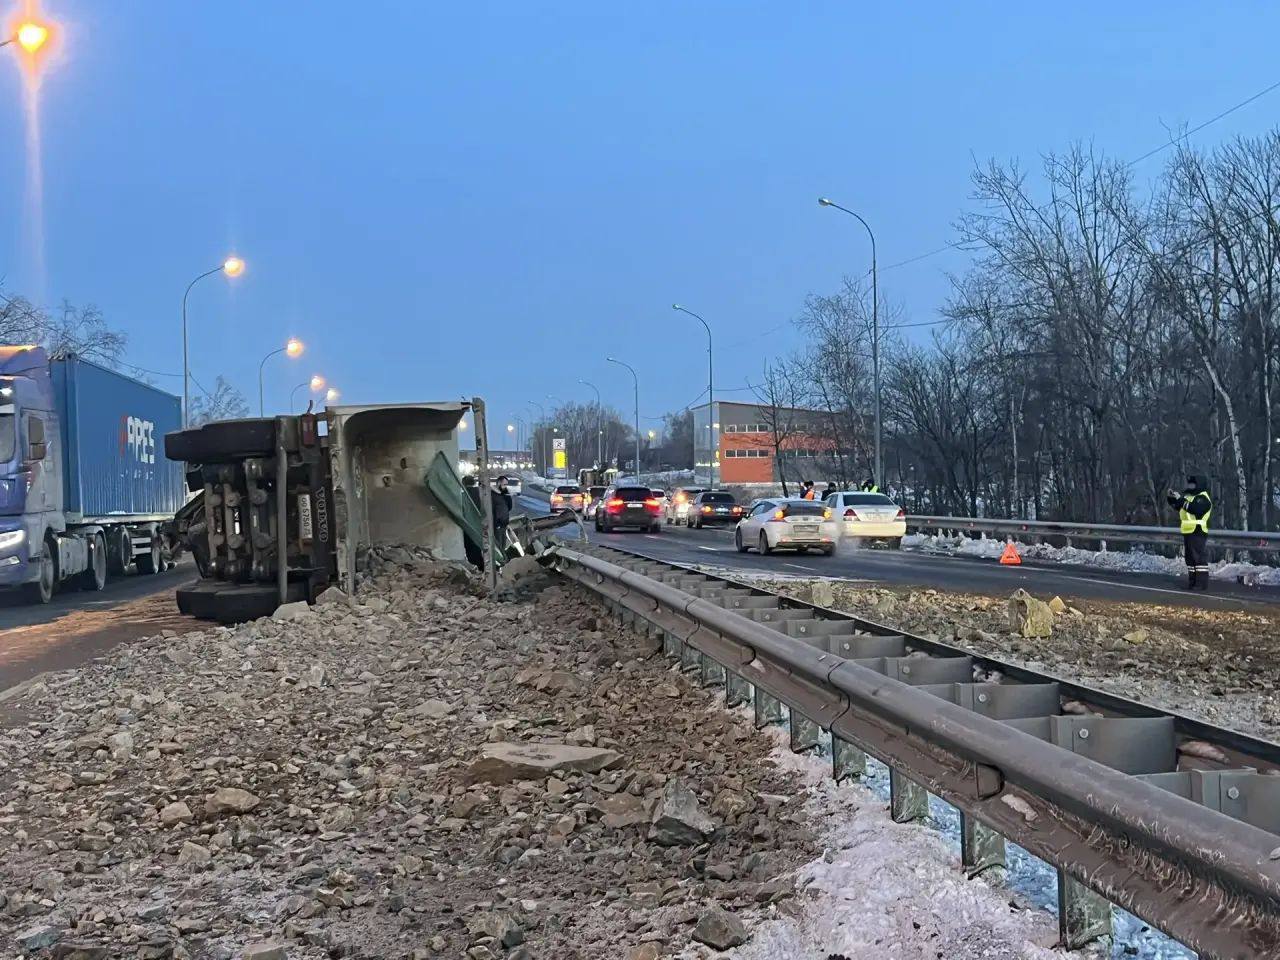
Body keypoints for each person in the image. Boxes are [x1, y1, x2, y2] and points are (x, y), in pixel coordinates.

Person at [1167, 474, 1212, 591]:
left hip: (1197, 530)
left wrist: (1181, 500)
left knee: (1198, 559)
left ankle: (1201, 583)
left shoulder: (1202, 498)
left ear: (1199, 484)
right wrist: (1171, 498)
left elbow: (1193, 508)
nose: (1191, 486)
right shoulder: (1190, 496)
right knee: (1190, 559)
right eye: (1189, 484)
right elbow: (1179, 507)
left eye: (1193, 484)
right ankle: (1193, 582)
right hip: (1188, 531)